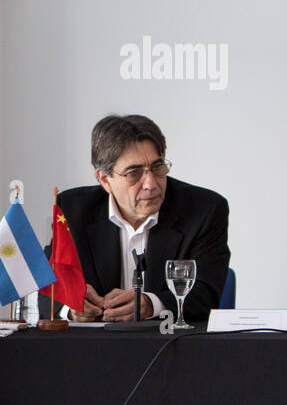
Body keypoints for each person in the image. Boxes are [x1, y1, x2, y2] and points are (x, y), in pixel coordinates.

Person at [42, 114, 230, 323]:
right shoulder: (72, 209)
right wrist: (70, 306)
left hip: (169, 346)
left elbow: (206, 296)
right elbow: (44, 287)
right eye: (134, 173)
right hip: (94, 349)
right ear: (105, 179)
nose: (151, 183)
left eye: (158, 168)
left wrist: (152, 305)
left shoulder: (204, 209)